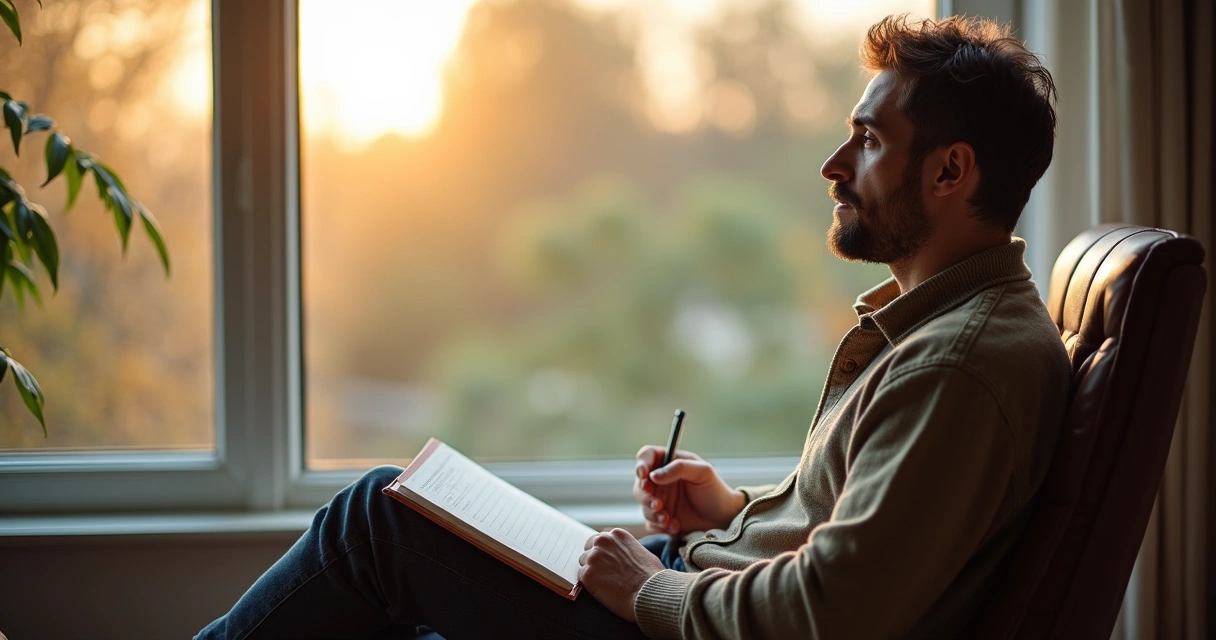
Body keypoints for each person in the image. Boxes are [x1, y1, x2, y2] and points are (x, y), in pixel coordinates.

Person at [197, 13, 1069, 640]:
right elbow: (854, 537)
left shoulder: (959, 367)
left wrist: (652, 592)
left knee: (378, 521)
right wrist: (725, 512)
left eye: (869, 140)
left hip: (677, 624)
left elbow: (830, 615)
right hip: (691, 592)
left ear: (952, 171)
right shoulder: (945, 332)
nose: (834, 165)